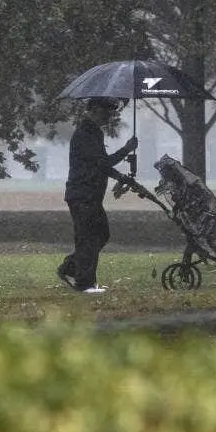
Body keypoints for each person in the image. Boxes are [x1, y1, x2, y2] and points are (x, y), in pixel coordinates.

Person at [57, 97, 137, 294]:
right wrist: (126, 149)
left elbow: (101, 165)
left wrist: (122, 178)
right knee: (88, 238)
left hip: (90, 194)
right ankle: (84, 284)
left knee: (100, 235)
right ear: (92, 110)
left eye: (111, 113)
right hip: (83, 194)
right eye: (105, 112)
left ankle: (70, 268)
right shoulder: (85, 134)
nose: (109, 117)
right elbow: (103, 163)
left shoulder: (94, 133)